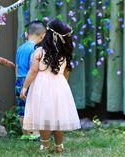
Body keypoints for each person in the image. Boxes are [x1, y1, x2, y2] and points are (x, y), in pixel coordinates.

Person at [20, 19, 81, 153]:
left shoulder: (39, 52)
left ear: (47, 36)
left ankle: (44, 145)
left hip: (42, 89)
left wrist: (25, 87)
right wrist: (63, 86)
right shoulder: (64, 54)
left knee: (44, 117)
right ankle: (59, 145)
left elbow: (33, 71)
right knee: (58, 118)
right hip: (59, 87)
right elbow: (65, 73)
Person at [15, 20, 46, 138]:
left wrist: (18, 80)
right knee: (33, 107)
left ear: (26, 34)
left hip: (19, 80)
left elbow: (17, 67)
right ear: (43, 36)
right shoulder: (35, 50)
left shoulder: (20, 48)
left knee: (21, 108)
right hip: (28, 82)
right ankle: (36, 133)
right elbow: (32, 69)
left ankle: (25, 134)